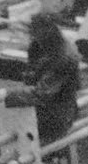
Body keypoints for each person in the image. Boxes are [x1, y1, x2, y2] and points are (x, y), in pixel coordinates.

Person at [4, 13, 82, 143]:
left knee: (1, 118)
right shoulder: (38, 47)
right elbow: (31, 78)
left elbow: (41, 95)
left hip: (57, 118)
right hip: (44, 107)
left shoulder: (63, 58)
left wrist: (7, 95)